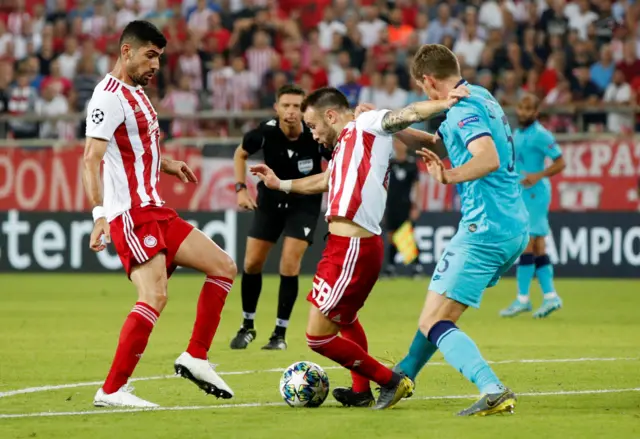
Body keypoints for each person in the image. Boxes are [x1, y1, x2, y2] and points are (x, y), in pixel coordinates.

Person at [250, 85, 467, 409]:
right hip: (342, 245)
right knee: (346, 320)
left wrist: (442, 103)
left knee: (317, 337)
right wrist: (279, 183)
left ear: (332, 115)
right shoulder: (347, 147)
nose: (313, 134)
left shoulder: (366, 124)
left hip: (353, 247)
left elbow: (406, 114)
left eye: (313, 125)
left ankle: (392, 381)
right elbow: (325, 181)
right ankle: (361, 391)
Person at [83, 20, 236, 408]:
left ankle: (196, 357)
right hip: (131, 213)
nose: (155, 65)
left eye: (159, 58)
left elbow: (132, 146)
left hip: (157, 208)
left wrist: (164, 163)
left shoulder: (138, 93)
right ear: (126, 52)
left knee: (223, 266)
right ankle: (112, 390)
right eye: (149, 56)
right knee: (155, 295)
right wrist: (99, 214)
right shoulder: (107, 97)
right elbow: (91, 159)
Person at [382, 44, 529, 415]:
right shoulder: (480, 96)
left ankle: (492, 388)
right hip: (509, 223)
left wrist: (447, 176)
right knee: (433, 315)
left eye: (423, 87)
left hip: (485, 227)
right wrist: (390, 124)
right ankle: (400, 376)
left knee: (435, 320)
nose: (425, 94)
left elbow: (488, 157)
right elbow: (437, 143)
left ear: (429, 81)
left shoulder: (462, 109)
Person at [230, 84, 332, 351]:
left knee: (289, 264)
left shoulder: (315, 134)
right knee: (251, 262)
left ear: (305, 110)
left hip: (305, 205)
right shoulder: (264, 133)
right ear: (277, 108)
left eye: (297, 106)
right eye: (285, 105)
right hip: (270, 203)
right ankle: (247, 326)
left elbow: (335, 161)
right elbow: (240, 153)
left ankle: (279, 334)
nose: (291, 111)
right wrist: (241, 189)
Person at [500, 94, 565, 318]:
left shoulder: (540, 134)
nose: (523, 113)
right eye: (521, 108)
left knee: (528, 243)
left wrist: (539, 175)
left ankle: (523, 299)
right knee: (536, 246)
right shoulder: (519, 133)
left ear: (536, 112)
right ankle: (548, 296)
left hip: (535, 194)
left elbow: (560, 162)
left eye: (528, 109)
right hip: (522, 192)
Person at [383, 139, 422, 277]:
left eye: (402, 143)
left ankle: (416, 266)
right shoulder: (390, 164)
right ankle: (391, 267)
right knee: (391, 236)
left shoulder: (412, 164)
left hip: (406, 205)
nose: (399, 145)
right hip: (391, 204)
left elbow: (417, 186)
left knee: (407, 235)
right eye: (397, 143)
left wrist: (416, 205)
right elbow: (384, 185)